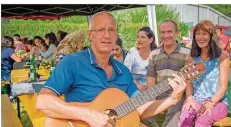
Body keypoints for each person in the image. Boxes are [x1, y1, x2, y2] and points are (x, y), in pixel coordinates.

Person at [36, 11, 186, 127]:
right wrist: (88, 115)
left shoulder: (123, 71)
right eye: (100, 30)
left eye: (111, 30)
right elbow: (43, 102)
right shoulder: (73, 62)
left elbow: (140, 109)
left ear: (116, 35)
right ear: (90, 35)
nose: (107, 35)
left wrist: (172, 99)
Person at [178, 20, 230, 127]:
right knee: (184, 120)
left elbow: (223, 87)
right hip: (196, 100)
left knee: (202, 121)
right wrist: (189, 98)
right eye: (198, 34)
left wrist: (211, 103)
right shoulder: (192, 58)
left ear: (212, 36)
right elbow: (189, 82)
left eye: (204, 34)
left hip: (217, 102)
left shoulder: (223, 57)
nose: (200, 37)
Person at [146, 20, 191, 127]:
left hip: (178, 94)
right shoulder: (153, 54)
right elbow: (151, 79)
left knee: (173, 115)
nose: (166, 35)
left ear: (177, 33)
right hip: (158, 93)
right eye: (162, 32)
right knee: (141, 113)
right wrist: (153, 101)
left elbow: (189, 80)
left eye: (169, 32)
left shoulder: (187, 53)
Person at [124, 26, 157, 92]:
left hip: (151, 84)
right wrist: (138, 85)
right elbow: (125, 72)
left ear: (151, 40)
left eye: (143, 37)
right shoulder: (132, 52)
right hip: (133, 84)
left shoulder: (155, 54)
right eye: (138, 37)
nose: (139, 40)